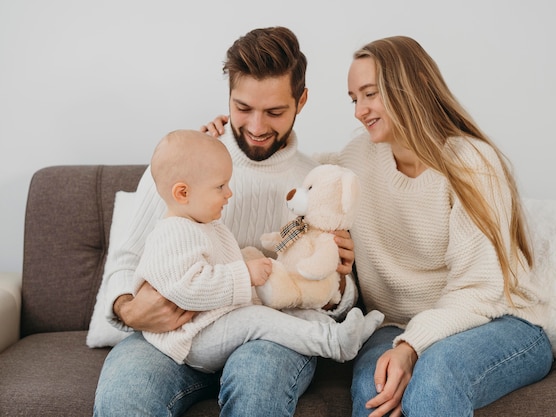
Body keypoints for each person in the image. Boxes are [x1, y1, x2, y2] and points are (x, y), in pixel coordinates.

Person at [94, 27, 360, 417]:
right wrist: (127, 309)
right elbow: (126, 258)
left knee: (257, 390)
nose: (255, 126)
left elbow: (338, 295)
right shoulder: (184, 160)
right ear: (229, 97)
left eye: (274, 112)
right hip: (176, 337)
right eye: (243, 108)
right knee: (124, 398)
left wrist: (340, 281)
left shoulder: (316, 181)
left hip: (270, 332)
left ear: (301, 101)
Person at [324, 36, 553, 416]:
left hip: (497, 321)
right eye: (354, 98)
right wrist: (227, 140)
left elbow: (479, 290)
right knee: (373, 388)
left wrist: (411, 347)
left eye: (370, 94)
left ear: (416, 83)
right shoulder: (357, 158)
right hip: (395, 326)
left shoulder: (472, 164)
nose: (359, 111)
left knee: (435, 376)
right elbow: (295, 171)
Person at [136, 129, 382, 371]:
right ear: (183, 193)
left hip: (217, 322)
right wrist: (245, 274)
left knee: (289, 310)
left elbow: (218, 267)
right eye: (220, 186)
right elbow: (187, 289)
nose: (229, 193)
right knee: (259, 320)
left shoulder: (204, 226)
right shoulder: (172, 234)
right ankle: (333, 344)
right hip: (195, 336)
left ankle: (345, 334)